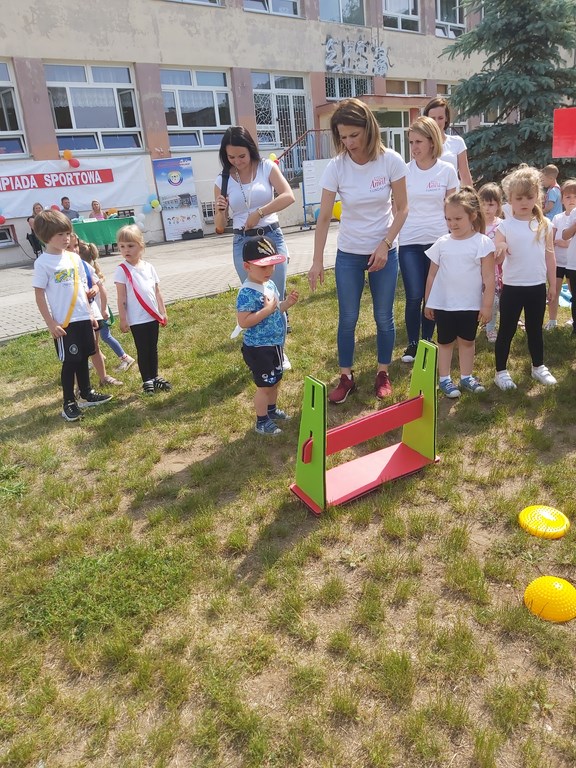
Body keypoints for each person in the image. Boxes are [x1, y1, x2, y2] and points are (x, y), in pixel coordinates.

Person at [308, 98, 408, 402]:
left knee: (383, 316)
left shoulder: (391, 160)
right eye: (343, 137)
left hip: (384, 251)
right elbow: (324, 216)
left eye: (354, 135)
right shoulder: (336, 167)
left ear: (368, 128)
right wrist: (316, 261)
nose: (349, 142)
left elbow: (403, 209)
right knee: (348, 317)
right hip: (349, 253)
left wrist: (385, 244)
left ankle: (382, 373)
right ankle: (346, 377)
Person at [214, 126, 295, 368]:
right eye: (231, 157)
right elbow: (219, 226)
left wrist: (260, 212)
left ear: (251, 150)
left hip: (271, 237)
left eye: (242, 155)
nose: (237, 161)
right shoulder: (223, 180)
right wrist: (220, 210)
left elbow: (288, 195)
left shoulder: (266, 167)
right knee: (255, 298)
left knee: (275, 295)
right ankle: (259, 348)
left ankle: (279, 350)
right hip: (243, 243)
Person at [31, 210, 113, 421]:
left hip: (83, 317)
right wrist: (51, 323)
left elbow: (82, 287)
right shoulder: (43, 263)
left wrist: (90, 314)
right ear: (46, 236)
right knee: (70, 361)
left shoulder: (74, 258)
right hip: (64, 323)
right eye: (60, 234)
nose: (66, 238)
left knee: (84, 355)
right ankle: (68, 402)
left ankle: (86, 393)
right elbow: (39, 295)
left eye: (67, 233)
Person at [424, 188, 495, 397]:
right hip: (444, 304)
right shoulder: (442, 243)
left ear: (472, 216)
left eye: (457, 219)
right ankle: (444, 379)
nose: (452, 223)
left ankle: (466, 377)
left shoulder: (482, 243)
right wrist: (429, 302)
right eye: (448, 219)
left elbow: (489, 278)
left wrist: (487, 306)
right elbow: (431, 275)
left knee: (467, 341)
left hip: (470, 304)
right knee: (445, 342)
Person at [398, 116, 458, 363]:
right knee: (414, 295)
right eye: (411, 142)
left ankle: (427, 341)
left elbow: (454, 207)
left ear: (432, 141)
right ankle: (413, 344)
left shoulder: (447, 170)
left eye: (419, 142)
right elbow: (398, 207)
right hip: (409, 241)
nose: (414, 147)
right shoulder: (403, 171)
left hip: (438, 242)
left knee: (431, 295)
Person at [493, 165, 557, 390]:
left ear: (537, 197)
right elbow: (498, 256)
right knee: (507, 330)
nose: (524, 202)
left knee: (534, 329)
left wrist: (552, 284)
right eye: (519, 198)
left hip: (536, 287)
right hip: (513, 288)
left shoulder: (545, 225)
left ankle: (538, 366)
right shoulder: (504, 226)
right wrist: (500, 248)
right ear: (510, 199)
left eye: (529, 197)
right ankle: (501, 371)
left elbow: (550, 256)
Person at [236, 236, 299, 435]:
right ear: (247, 267)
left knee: (275, 380)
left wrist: (286, 304)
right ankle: (261, 421)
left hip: (274, 344)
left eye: (271, 265)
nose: (269, 270)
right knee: (264, 386)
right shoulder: (246, 293)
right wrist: (267, 310)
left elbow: (276, 308)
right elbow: (244, 321)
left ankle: (271, 410)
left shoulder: (269, 284)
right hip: (258, 348)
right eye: (263, 266)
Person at [114, 224, 171, 394]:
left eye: (130, 246)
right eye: (122, 246)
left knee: (152, 347)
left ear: (141, 246)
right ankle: (147, 379)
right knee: (143, 349)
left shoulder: (149, 267)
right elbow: (121, 297)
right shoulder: (122, 270)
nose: (126, 250)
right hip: (136, 319)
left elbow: (157, 291)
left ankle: (155, 376)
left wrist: (163, 311)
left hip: (152, 316)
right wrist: (123, 318)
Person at [78, 241, 124, 387]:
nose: (72, 250)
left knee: (101, 340)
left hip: (96, 313)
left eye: (74, 247)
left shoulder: (86, 267)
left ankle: (124, 358)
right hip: (83, 314)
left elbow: (100, 288)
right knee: (93, 345)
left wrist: (103, 309)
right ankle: (81, 384)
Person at [423, 97, 473, 187]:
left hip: (454, 194)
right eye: (433, 118)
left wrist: (470, 195)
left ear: (446, 118)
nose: (436, 122)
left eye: (440, 118)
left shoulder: (457, 142)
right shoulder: (421, 144)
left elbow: (465, 176)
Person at [478, 183, 505, 342]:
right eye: (483, 204)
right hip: (479, 269)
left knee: (497, 300)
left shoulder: (502, 225)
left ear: (498, 205)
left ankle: (492, 327)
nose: (487, 208)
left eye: (491, 204)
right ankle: (484, 323)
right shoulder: (476, 224)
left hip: (498, 269)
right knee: (483, 298)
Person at [549, 179, 576, 332]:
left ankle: (573, 318)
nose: (572, 200)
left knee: (573, 292)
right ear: (562, 199)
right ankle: (552, 320)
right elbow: (551, 239)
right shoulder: (557, 218)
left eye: (575, 197)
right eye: (568, 197)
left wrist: (567, 243)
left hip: (572, 264)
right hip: (558, 261)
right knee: (554, 291)